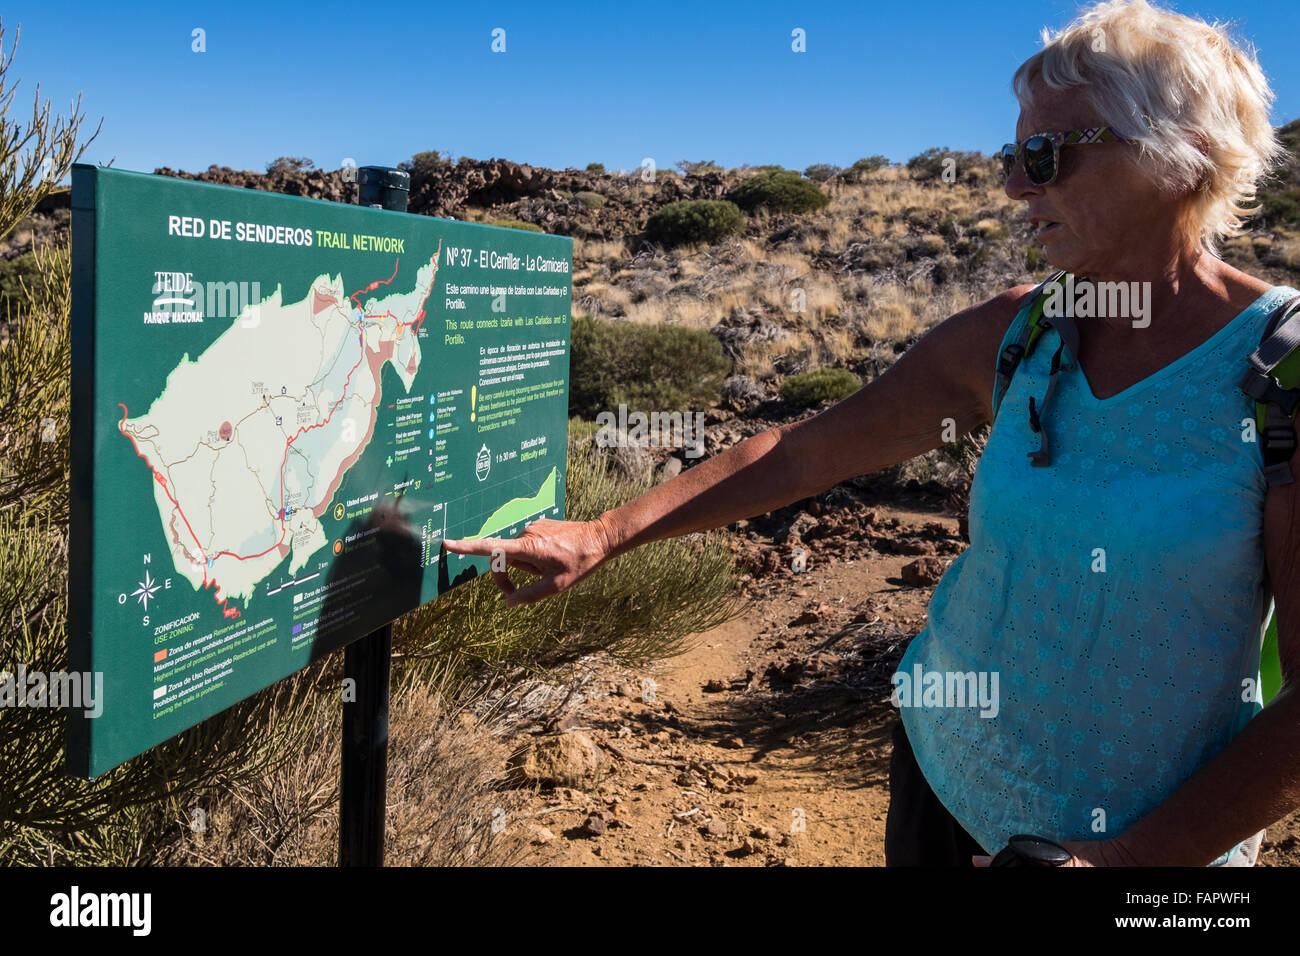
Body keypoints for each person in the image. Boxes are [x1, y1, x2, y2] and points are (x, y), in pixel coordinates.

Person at [445, 0, 1300, 867]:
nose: (1014, 186)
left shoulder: (1277, 370)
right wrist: (601, 535)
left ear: (1178, 156)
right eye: (1014, 154)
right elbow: (805, 451)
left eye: (1046, 155)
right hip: (947, 783)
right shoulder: (1016, 338)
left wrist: (1126, 862)